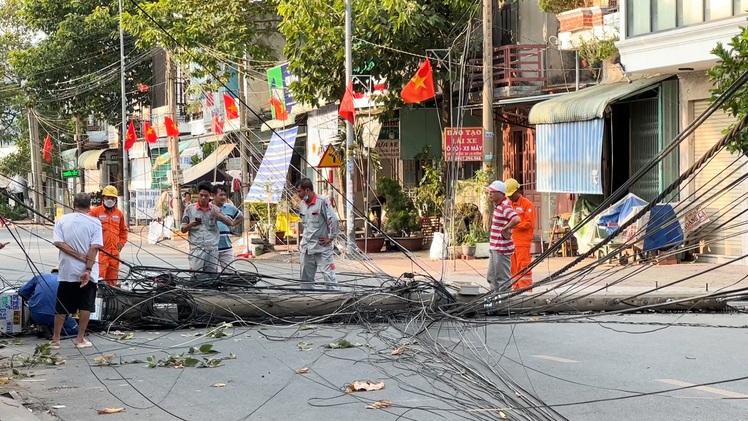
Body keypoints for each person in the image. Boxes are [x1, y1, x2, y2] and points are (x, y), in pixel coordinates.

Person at [51, 192, 103, 349]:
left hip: (67, 270)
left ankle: (56, 339)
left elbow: (59, 243)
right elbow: (94, 248)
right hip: (88, 272)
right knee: (86, 306)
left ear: (73, 204)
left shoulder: (62, 221)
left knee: (62, 305)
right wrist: (87, 268)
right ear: (89, 206)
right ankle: (80, 339)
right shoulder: (95, 223)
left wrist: (76, 255)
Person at [181, 182, 234, 275]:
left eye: (206, 196)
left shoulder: (215, 209)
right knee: (196, 276)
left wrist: (218, 215)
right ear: (198, 194)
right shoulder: (190, 209)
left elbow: (230, 223)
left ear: (210, 196)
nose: (203, 198)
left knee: (211, 277)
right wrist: (191, 225)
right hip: (196, 249)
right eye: (201, 195)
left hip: (212, 249)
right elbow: (182, 229)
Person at [296, 178, 340, 290]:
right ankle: (308, 301)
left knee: (329, 276)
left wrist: (331, 237)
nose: (298, 195)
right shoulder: (302, 204)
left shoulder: (322, 201)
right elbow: (305, 223)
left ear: (307, 190)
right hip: (307, 247)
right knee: (305, 278)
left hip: (322, 247)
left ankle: (336, 299)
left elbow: (333, 219)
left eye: (299, 191)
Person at [18, 268, 78, 339]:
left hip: (36, 315)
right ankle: (52, 330)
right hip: (57, 316)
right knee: (76, 330)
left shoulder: (41, 276)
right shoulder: (67, 281)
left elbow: (21, 292)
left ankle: (44, 326)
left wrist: (32, 298)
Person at [89, 185, 128, 286]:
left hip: (114, 254)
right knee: (100, 280)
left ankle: (110, 301)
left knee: (112, 281)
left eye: (112, 198)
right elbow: (87, 230)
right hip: (101, 253)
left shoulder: (119, 214)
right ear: (103, 198)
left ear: (115, 199)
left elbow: (123, 230)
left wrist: (121, 243)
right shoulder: (95, 212)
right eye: (108, 198)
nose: (110, 200)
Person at [486, 180, 520, 292]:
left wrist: (505, 228)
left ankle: (505, 304)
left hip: (501, 249)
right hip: (494, 247)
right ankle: (495, 300)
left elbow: (516, 219)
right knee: (491, 277)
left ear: (500, 193)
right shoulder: (498, 206)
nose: (490, 194)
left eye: (492, 192)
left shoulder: (504, 207)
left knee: (503, 280)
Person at [505, 178, 537, 292]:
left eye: (511, 195)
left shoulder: (527, 205)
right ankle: (516, 289)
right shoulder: (508, 204)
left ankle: (526, 290)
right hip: (511, 242)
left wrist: (513, 225)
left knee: (523, 268)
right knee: (513, 268)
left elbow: (529, 223)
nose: (510, 197)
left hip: (522, 243)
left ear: (518, 190)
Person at [213, 184, 244, 271]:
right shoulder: (208, 208)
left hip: (226, 247)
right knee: (211, 274)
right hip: (211, 248)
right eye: (220, 195)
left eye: (224, 195)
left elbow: (241, 217)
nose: (223, 197)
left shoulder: (230, 207)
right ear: (213, 195)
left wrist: (232, 224)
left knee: (230, 272)